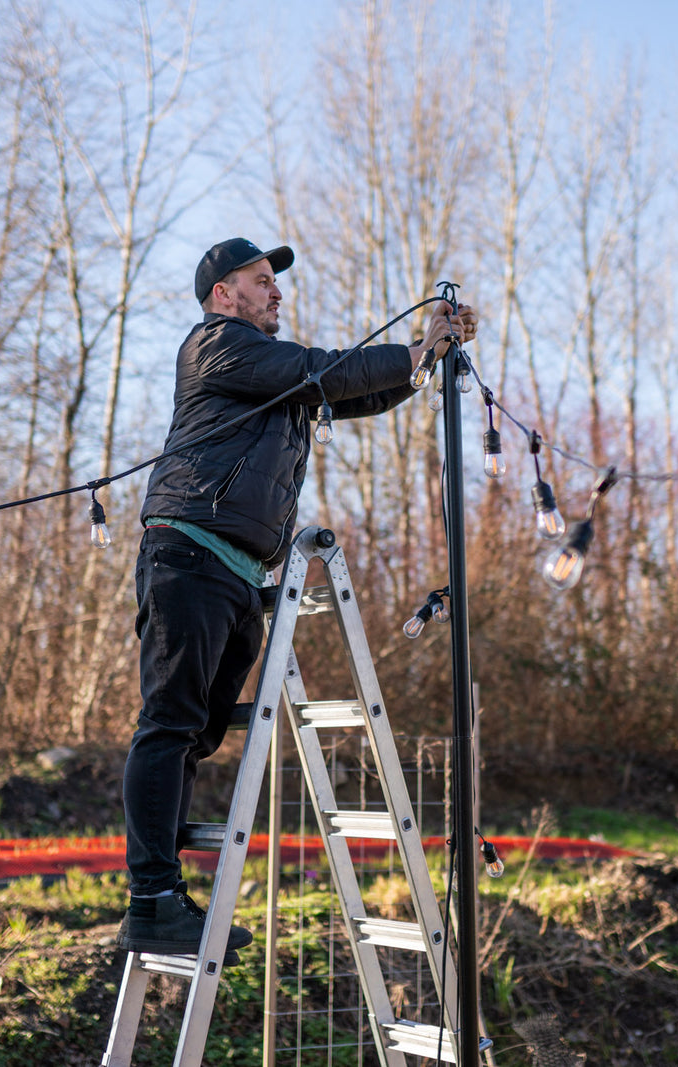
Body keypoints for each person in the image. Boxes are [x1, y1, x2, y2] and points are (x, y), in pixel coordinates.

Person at [117, 237, 477, 956]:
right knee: (170, 723)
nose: (276, 292)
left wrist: (425, 355)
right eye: (260, 281)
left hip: (236, 572)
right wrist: (411, 349)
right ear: (225, 294)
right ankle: (150, 897)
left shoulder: (268, 376)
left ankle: (165, 894)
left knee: (200, 728)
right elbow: (320, 369)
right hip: (188, 553)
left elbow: (344, 388)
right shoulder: (217, 346)